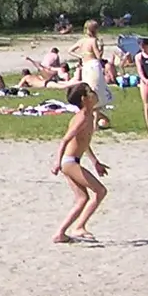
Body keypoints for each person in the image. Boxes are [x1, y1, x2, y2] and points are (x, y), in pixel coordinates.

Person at [52, 83, 110, 243]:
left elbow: (84, 143)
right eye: (90, 92)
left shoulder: (91, 115)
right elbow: (65, 140)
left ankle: (60, 233)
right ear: (84, 99)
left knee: (82, 199)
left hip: (72, 161)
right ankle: (79, 227)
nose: (95, 94)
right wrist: (57, 162)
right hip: (69, 162)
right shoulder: (82, 118)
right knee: (100, 191)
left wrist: (95, 162)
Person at [71, 19, 112, 127]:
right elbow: (98, 56)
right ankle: (94, 124)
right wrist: (102, 47)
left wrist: (80, 56)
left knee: (88, 91)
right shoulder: (93, 41)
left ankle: (91, 122)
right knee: (97, 93)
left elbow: (70, 50)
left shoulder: (82, 41)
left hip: (86, 67)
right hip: (93, 66)